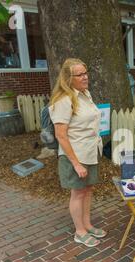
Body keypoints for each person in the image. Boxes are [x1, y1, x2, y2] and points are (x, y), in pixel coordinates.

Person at [49, 58, 106, 248]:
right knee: (78, 193)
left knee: (88, 190)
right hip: (75, 155)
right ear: (68, 78)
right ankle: (79, 232)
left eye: (85, 72)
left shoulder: (85, 94)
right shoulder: (63, 101)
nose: (85, 77)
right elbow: (61, 135)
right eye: (79, 74)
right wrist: (75, 163)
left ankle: (87, 224)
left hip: (90, 152)